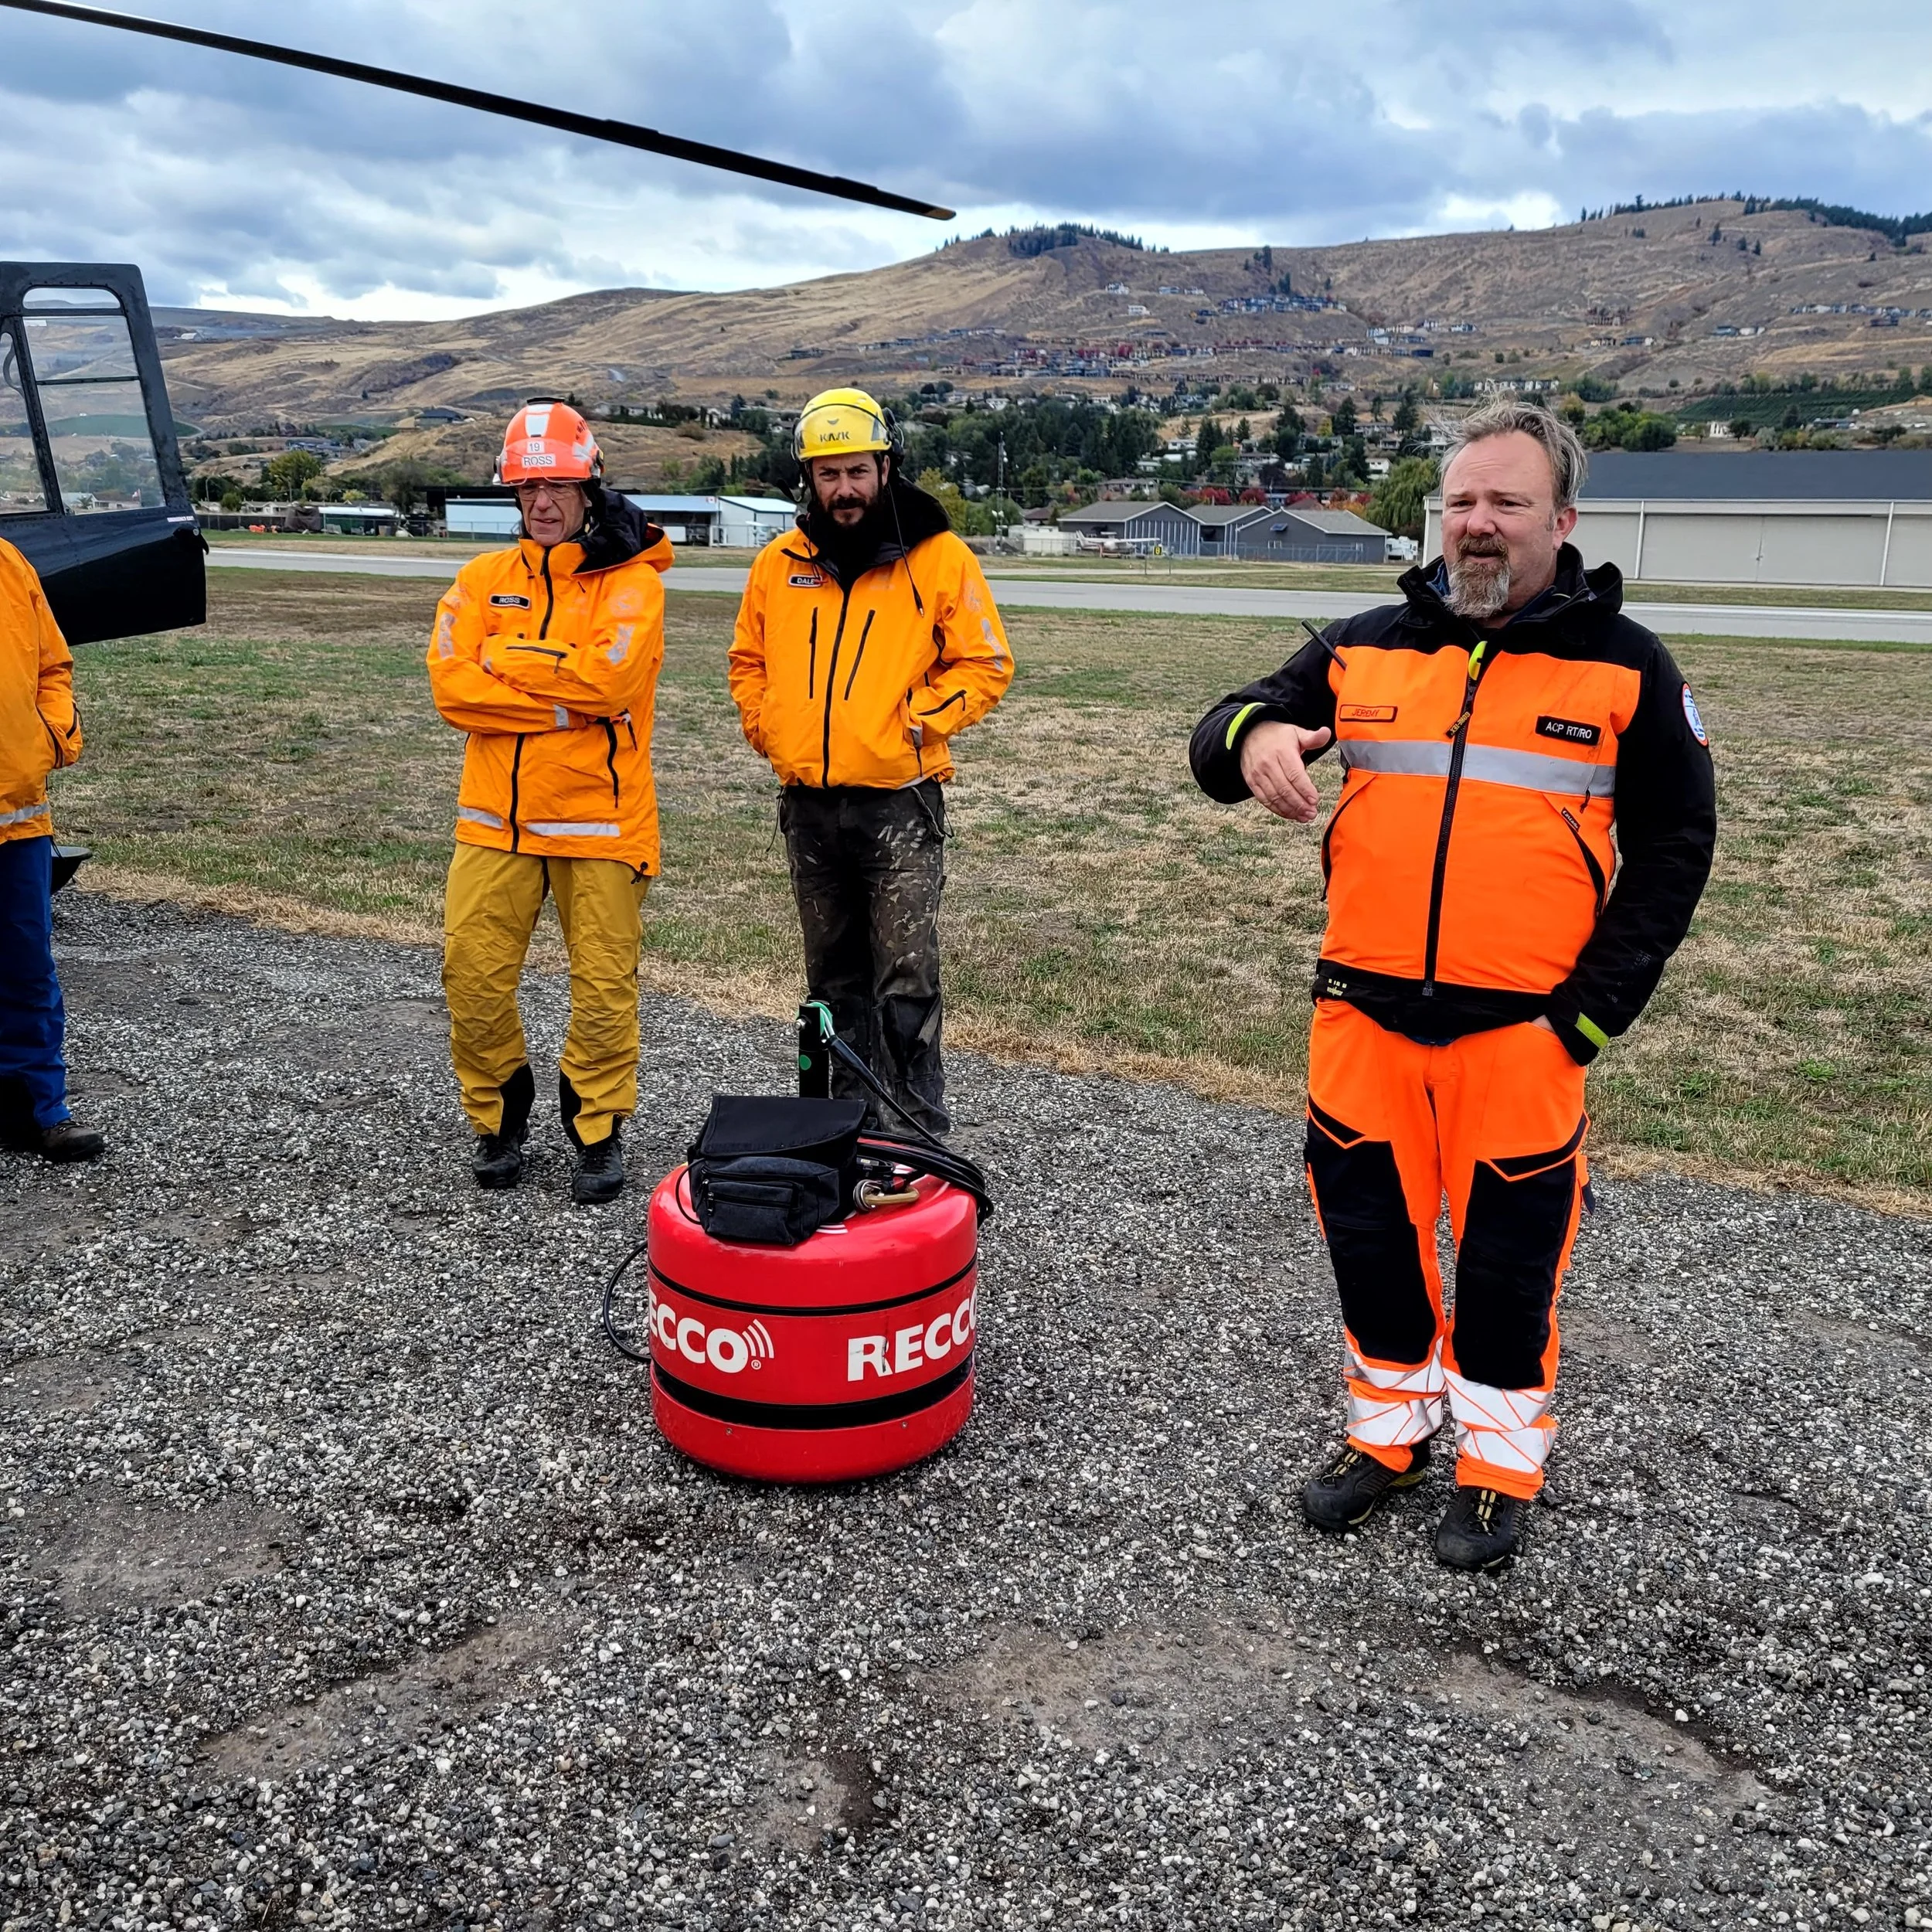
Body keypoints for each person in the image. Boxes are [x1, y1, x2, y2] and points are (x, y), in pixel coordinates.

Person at [1189, 400, 1716, 1569]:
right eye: (1462, 502)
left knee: (1506, 1274)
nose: (1477, 526)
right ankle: (1386, 1442)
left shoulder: (1628, 665)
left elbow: (1678, 847)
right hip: (1362, 1026)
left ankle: (1494, 1467)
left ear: (1562, 518)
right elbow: (1219, 730)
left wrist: (1586, 1019)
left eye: (1506, 503)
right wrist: (1254, 739)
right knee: (1371, 1252)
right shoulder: (1364, 641)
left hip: (1523, 1037)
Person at [728, 388, 1013, 1134]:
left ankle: (915, 1119)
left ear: (886, 468)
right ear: (809, 482)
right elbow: (746, 662)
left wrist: (918, 725)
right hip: (810, 806)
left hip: (899, 804)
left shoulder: (939, 557)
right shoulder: (777, 564)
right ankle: (838, 1121)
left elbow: (985, 663)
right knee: (831, 976)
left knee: (906, 969)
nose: (844, 489)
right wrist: (771, 731)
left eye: (856, 470)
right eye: (828, 475)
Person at [427, 400, 671, 1204]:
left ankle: (596, 1131)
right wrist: (560, 698)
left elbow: (608, 681)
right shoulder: (478, 580)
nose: (542, 502)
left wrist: (506, 663)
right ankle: (499, 1117)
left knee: (602, 988)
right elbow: (451, 689)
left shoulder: (631, 583)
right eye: (528, 486)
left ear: (589, 486)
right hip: (491, 822)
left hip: (600, 823)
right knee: (471, 975)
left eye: (558, 485)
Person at [0, 536, 104, 1164]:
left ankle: (38, 1109)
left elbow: (52, 666)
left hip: (17, 817)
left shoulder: (9, 563)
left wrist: (50, 734)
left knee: (26, 968)